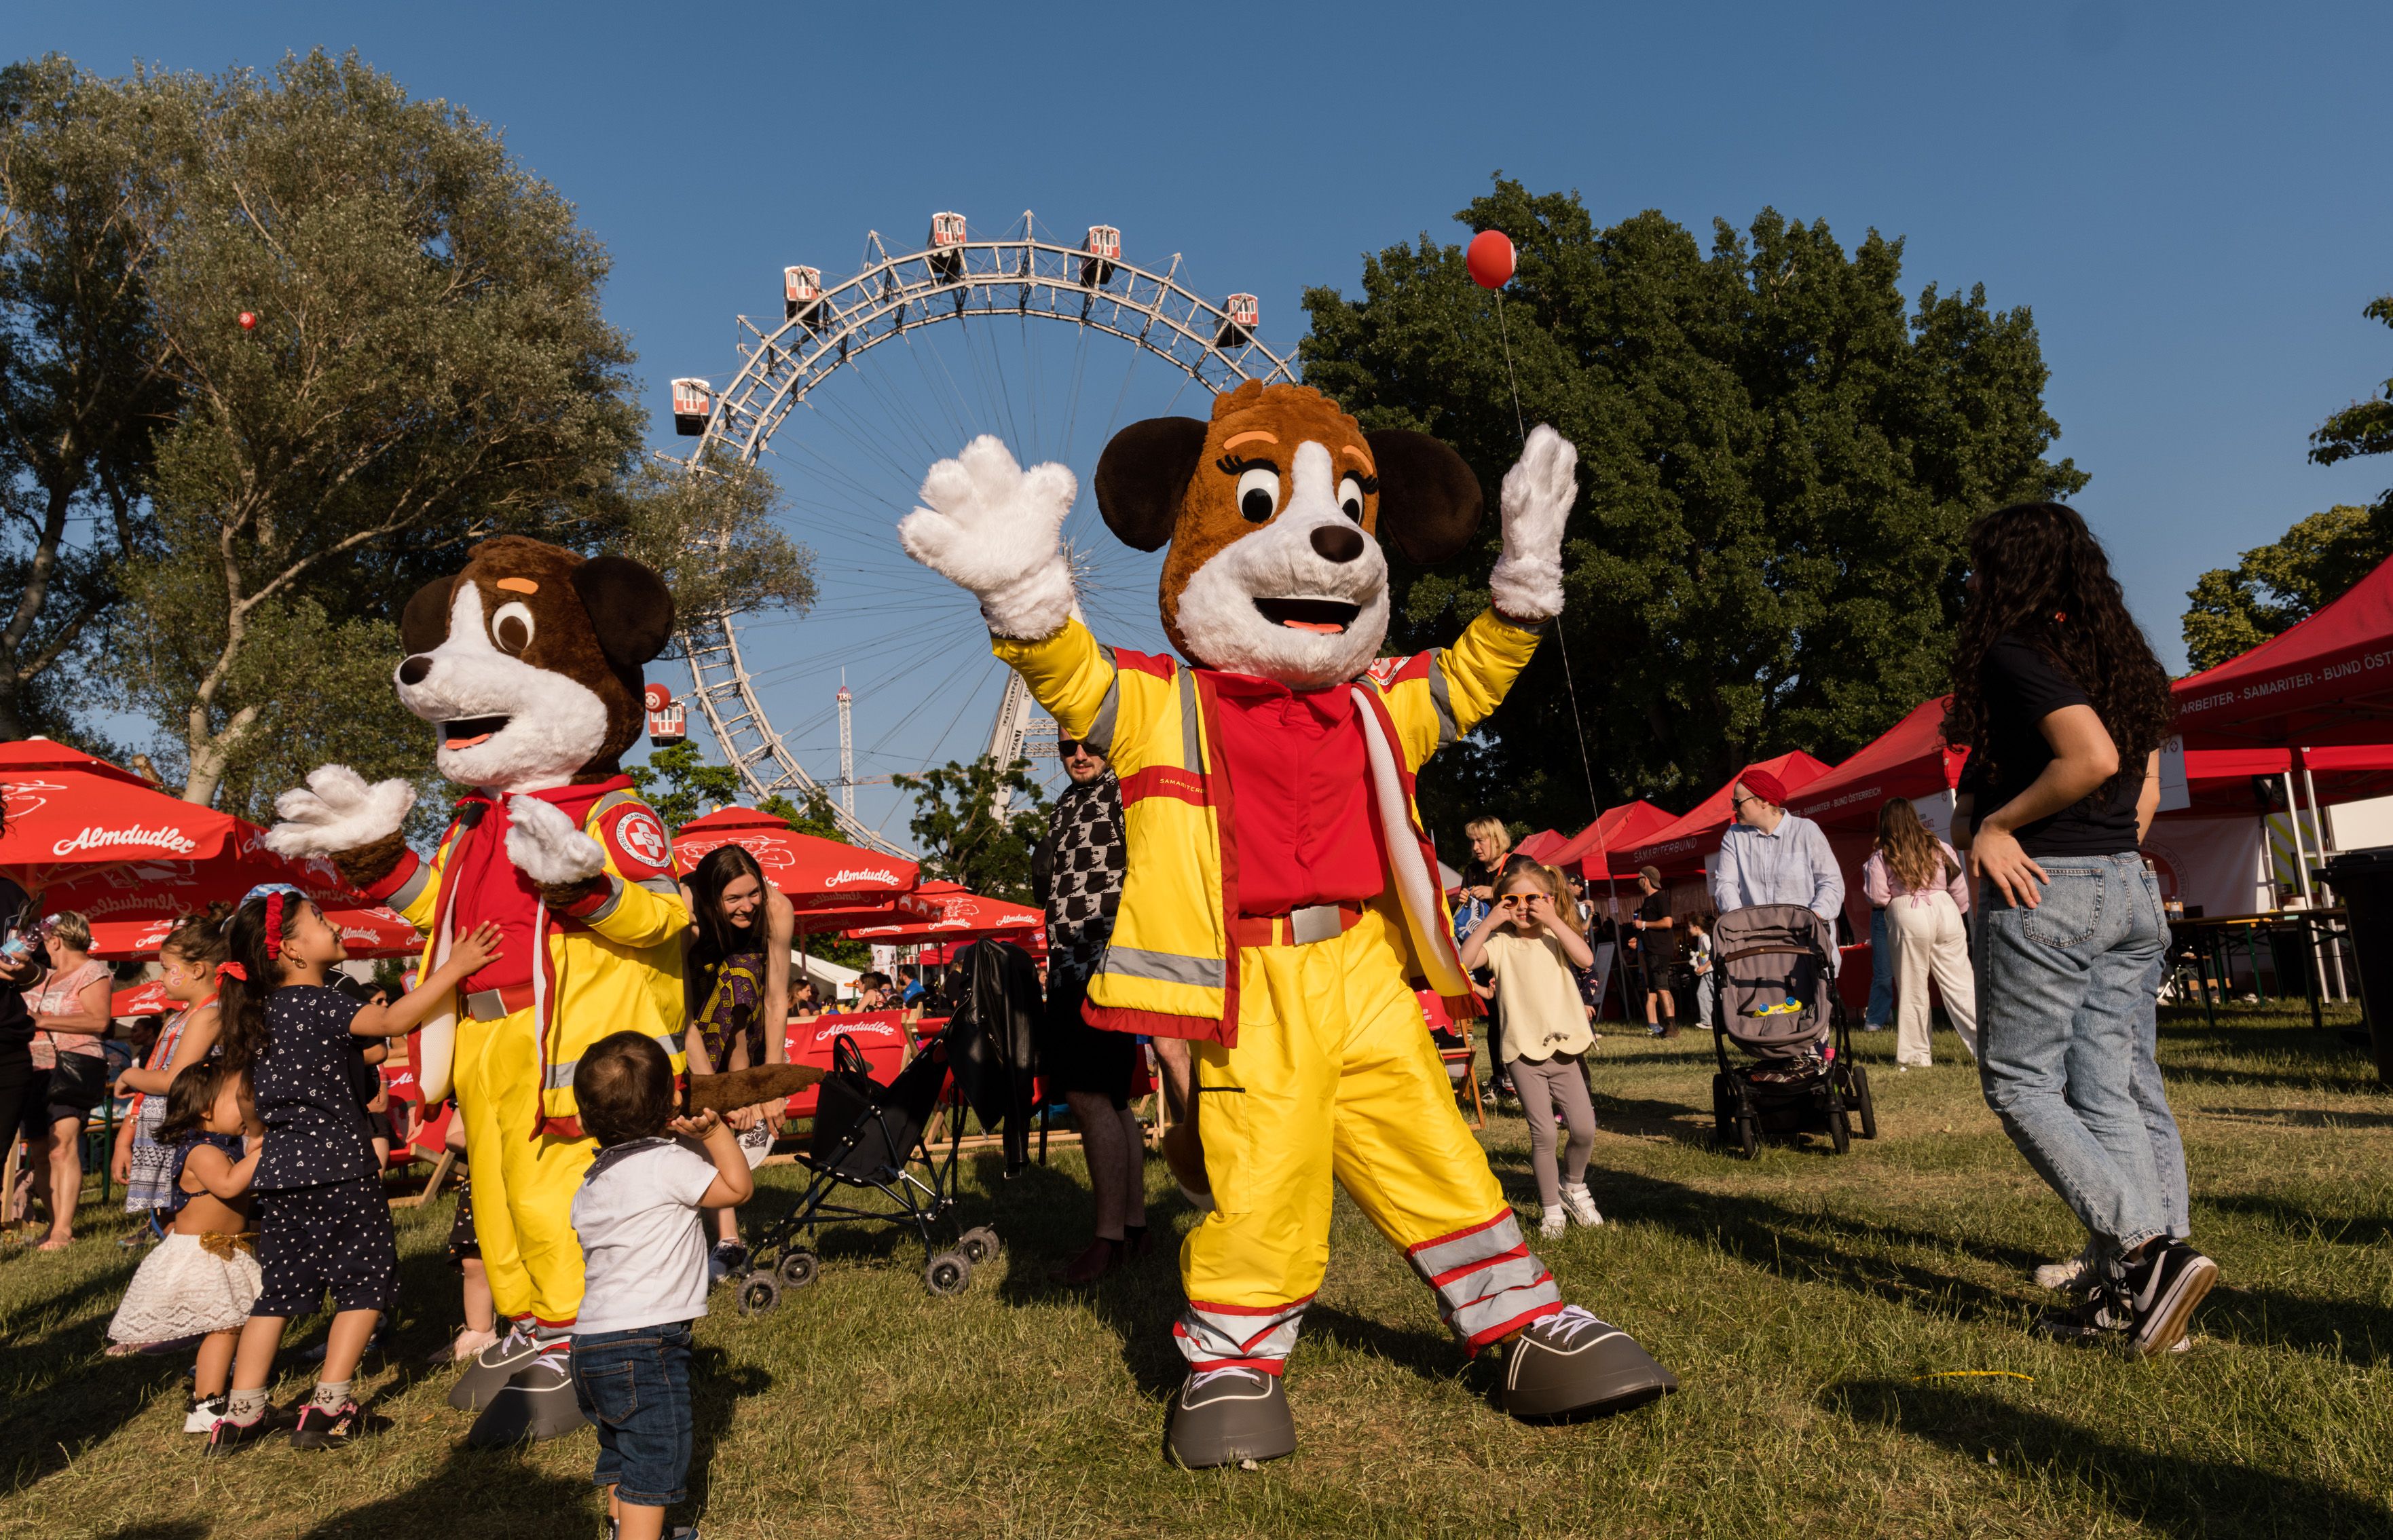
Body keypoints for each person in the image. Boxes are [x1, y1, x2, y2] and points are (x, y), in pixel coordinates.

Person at [1948, 500, 2212, 1357]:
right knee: (2113, 1090)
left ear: (2009, 571)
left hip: (2046, 889)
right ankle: (2144, 1296)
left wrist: (1999, 828)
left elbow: (2091, 758)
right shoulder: (2112, 655)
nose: (1972, 583)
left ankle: (2146, 1251)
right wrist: (2109, 862)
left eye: (1981, 567)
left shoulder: (2015, 649)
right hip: (2123, 886)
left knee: (2020, 1084)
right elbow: (2135, 782)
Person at [206, 888, 505, 1452]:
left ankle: (241, 1415)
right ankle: (328, 1405)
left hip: (280, 1172)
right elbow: (395, 1017)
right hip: (339, 1167)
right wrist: (454, 969)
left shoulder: (257, 1012)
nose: (333, 924)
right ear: (291, 949)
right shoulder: (322, 1001)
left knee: (279, 1293)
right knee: (363, 1283)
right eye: (318, 919)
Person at [569, 1030, 754, 1540]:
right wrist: (714, 1131)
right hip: (645, 1342)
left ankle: (619, 1528)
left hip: (587, 1343)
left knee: (620, 1447)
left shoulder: (591, 1180)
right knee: (655, 1455)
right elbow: (737, 1187)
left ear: (586, 1116)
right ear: (672, 1100)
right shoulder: (668, 1163)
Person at [1029, 735, 1147, 1282]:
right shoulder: (1069, 802)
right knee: (1114, 1099)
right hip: (1070, 963)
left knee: (1086, 1093)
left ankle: (1105, 1239)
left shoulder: (1122, 794)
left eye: (1090, 745)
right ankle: (1132, 1228)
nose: (1078, 755)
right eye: (1067, 747)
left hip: (1101, 962)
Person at [106, 1062, 261, 1431]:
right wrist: (261, 1151)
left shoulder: (223, 1146)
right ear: (206, 1108)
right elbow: (227, 1186)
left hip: (225, 1250)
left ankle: (217, 1394)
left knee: (233, 1325)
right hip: (201, 1255)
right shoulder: (202, 1151)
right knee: (223, 1327)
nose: (248, 1107)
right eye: (239, 1100)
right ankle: (206, 1404)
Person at [1459, 857, 1602, 1237]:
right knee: (1545, 1134)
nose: (1523, 908)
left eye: (1533, 899)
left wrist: (1554, 919)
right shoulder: (1500, 944)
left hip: (1565, 1049)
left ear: (1550, 899)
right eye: (1512, 900)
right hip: (1522, 1052)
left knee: (1584, 1129)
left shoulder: (1557, 935)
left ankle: (1573, 1185)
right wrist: (1489, 921)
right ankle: (1551, 1209)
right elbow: (1463, 963)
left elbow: (1586, 959)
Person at [680, 843, 794, 1281]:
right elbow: (683, 1015)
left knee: (742, 977)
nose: (748, 906)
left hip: (740, 1020)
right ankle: (698, 1240)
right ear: (711, 898)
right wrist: (719, 1094)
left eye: (754, 893)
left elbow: (777, 998)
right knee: (697, 1126)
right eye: (734, 899)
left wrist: (769, 1086)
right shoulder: (685, 915)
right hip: (689, 1023)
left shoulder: (776, 908)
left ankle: (727, 1242)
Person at [113, 909, 231, 1227]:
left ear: (196, 970)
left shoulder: (209, 1015)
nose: (161, 978)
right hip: (160, 1131)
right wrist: (126, 1137)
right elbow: (156, 1071)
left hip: (185, 1133)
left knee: (184, 1221)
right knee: (165, 1221)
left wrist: (128, 1075)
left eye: (167, 969)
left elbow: (173, 1080)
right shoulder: (179, 1017)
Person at [1863, 800, 1980, 1070]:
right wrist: (1953, 910)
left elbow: (1878, 897)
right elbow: (1959, 887)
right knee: (1961, 984)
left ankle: (1916, 1056)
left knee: (1912, 987)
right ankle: (1987, 1048)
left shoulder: (1882, 856)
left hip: (1907, 910)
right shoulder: (1940, 847)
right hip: (1945, 908)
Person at [20, 911, 113, 1250]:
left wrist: (41, 1019)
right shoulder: (43, 977)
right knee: (42, 1151)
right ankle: (52, 1225)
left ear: (56, 940)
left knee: (64, 1146)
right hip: (33, 1069)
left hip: (73, 1066)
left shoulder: (92, 971)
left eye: (44, 939)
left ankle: (63, 1229)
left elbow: (99, 1020)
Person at [1709, 770, 1845, 925]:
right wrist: (1739, 921)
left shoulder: (1805, 830)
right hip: (1760, 942)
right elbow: (1726, 884)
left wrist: (1815, 916)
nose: (1734, 809)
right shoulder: (1734, 836)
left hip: (1807, 939)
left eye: (1738, 802)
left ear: (1764, 801)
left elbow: (1831, 883)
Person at [1630, 866, 1680, 1038]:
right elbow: (1650, 926)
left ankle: (1672, 1026)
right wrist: (1638, 937)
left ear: (1646, 879)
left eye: (1639, 878)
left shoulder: (1660, 898)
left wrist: (1643, 924)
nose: (1637, 881)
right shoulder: (1647, 901)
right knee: (1653, 989)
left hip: (1660, 950)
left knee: (1662, 988)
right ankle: (1663, 1026)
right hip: (1651, 950)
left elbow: (1668, 922)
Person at [1685, 912, 1717, 1030]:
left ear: (1696, 927)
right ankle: (1707, 1021)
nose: (1689, 930)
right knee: (1702, 994)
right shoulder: (1701, 939)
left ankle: (1727, 1018)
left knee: (1718, 995)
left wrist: (1703, 967)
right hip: (1706, 972)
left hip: (1710, 972)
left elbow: (1711, 956)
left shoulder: (1705, 939)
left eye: (1690, 927)